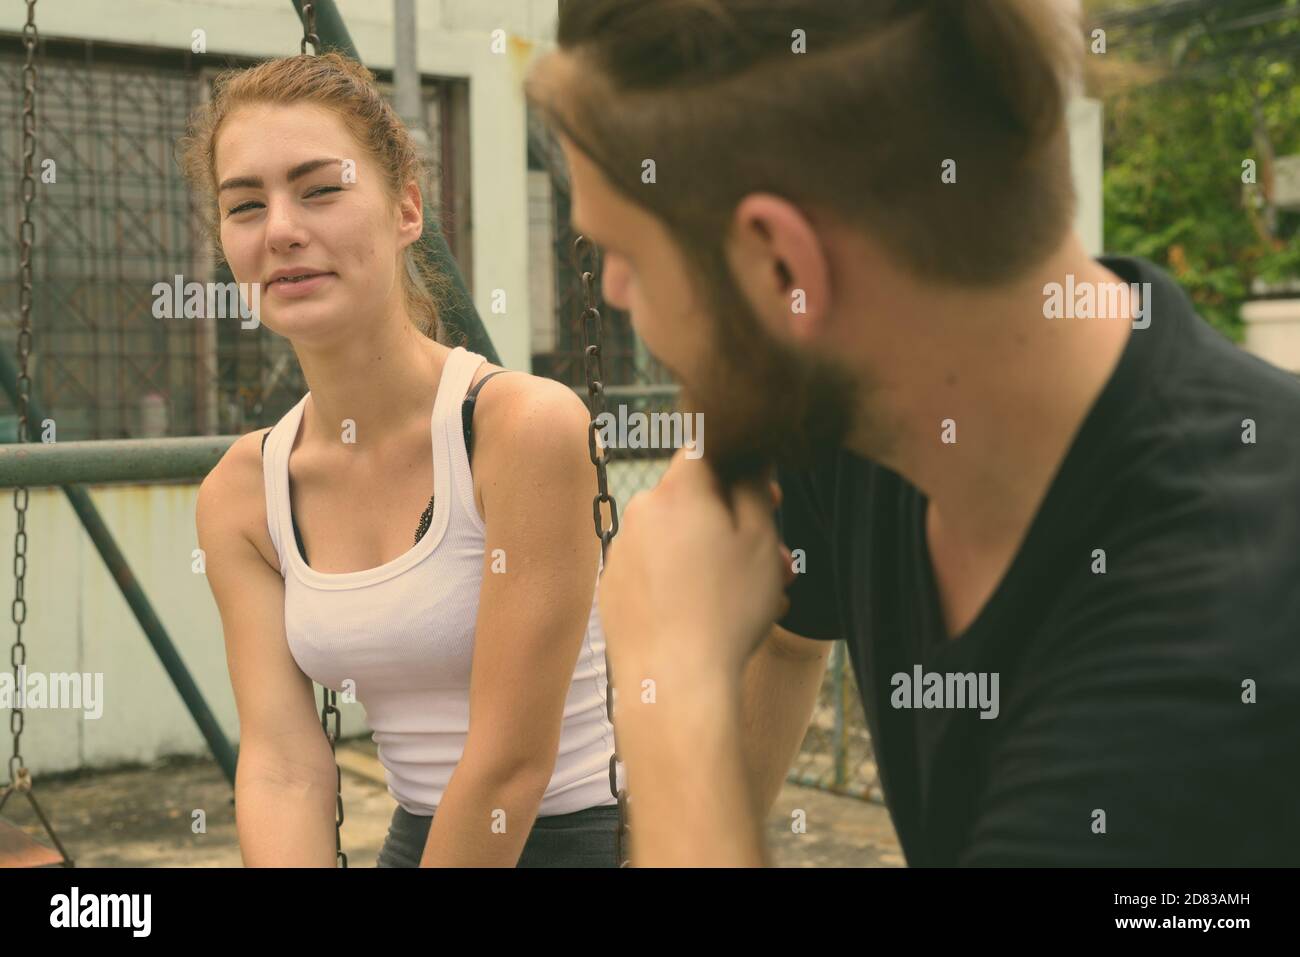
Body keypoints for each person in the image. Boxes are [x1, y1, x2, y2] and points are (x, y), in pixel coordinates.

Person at [525, 0, 1300, 865]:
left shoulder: (1205, 668)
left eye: (623, 251)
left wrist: (674, 691)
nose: (618, 293)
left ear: (783, 268)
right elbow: (786, 634)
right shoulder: (853, 413)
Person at [187, 53, 621, 867]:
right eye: (245, 204)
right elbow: (282, 767)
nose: (281, 228)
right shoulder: (241, 496)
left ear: (406, 210)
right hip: (421, 840)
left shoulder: (520, 429)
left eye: (320, 189)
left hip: (563, 839)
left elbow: (508, 766)